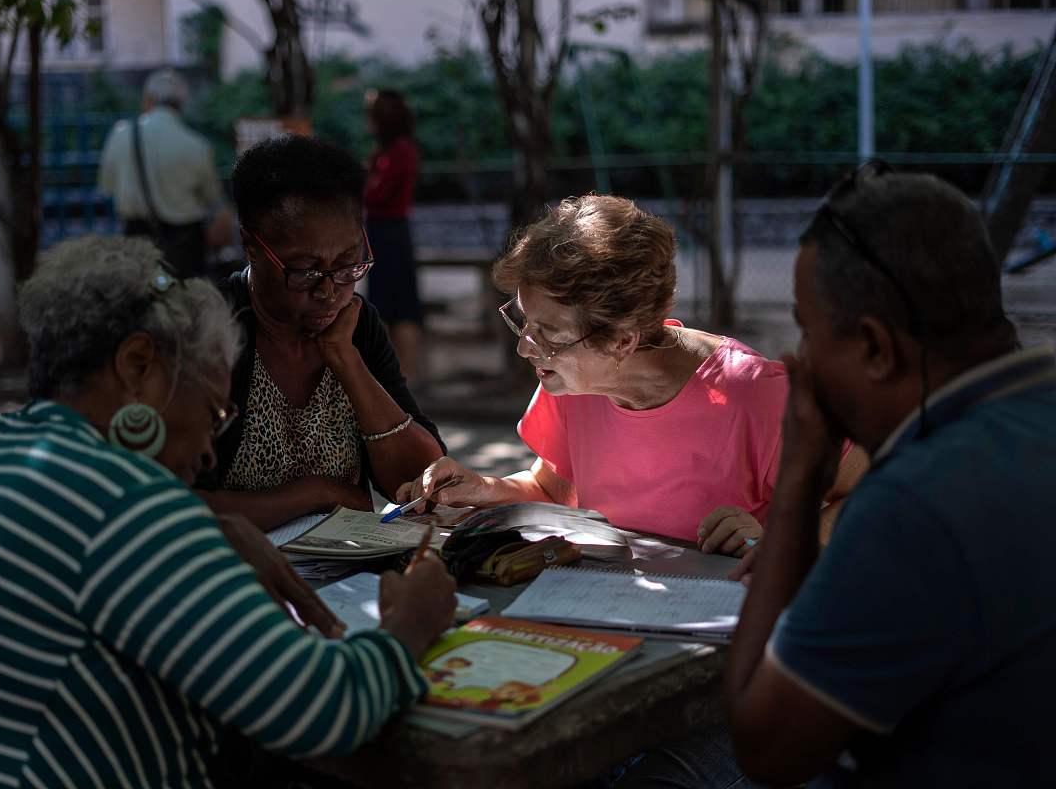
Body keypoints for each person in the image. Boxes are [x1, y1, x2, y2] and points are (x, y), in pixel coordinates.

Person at [0, 236, 456, 788]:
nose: (207, 452)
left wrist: (199, 529)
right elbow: (324, 709)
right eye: (213, 412)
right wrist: (414, 619)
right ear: (138, 365)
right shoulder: (123, 503)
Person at [725, 167, 1054, 786]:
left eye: (808, 331)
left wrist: (799, 477)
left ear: (876, 348)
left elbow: (764, 747)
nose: (801, 360)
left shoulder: (914, 503)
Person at [399, 194, 863, 556]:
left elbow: (873, 496)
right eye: (524, 321)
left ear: (622, 341)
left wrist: (784, 538)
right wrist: (483, 489)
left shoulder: (758, 397)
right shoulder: (571, 380)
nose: (525, 346)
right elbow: (553, 492)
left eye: (550, 334)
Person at [195, 135, 445, 531]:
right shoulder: (205, 331)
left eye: (348, 264)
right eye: (305, 270)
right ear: (251, 246)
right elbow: (173, 504)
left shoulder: (356, 325)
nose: (329, 291)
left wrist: (345, 359)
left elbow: (422, 481)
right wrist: (315, 493)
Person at [97, 69, 233, 278]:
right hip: (185, 248)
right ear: (182, 104)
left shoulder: (120, 134)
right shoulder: (196, 145)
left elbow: (107, 187)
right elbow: (212, 199)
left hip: (136, 244)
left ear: (148, 99)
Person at [364, 88, 424, 385]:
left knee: (400, 309)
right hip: (385, 233)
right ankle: (395, 380)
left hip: (390, 233)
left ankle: (405, 379)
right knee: (389, 308)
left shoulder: (399, 151)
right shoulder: (394, 150)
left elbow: (378, 192)